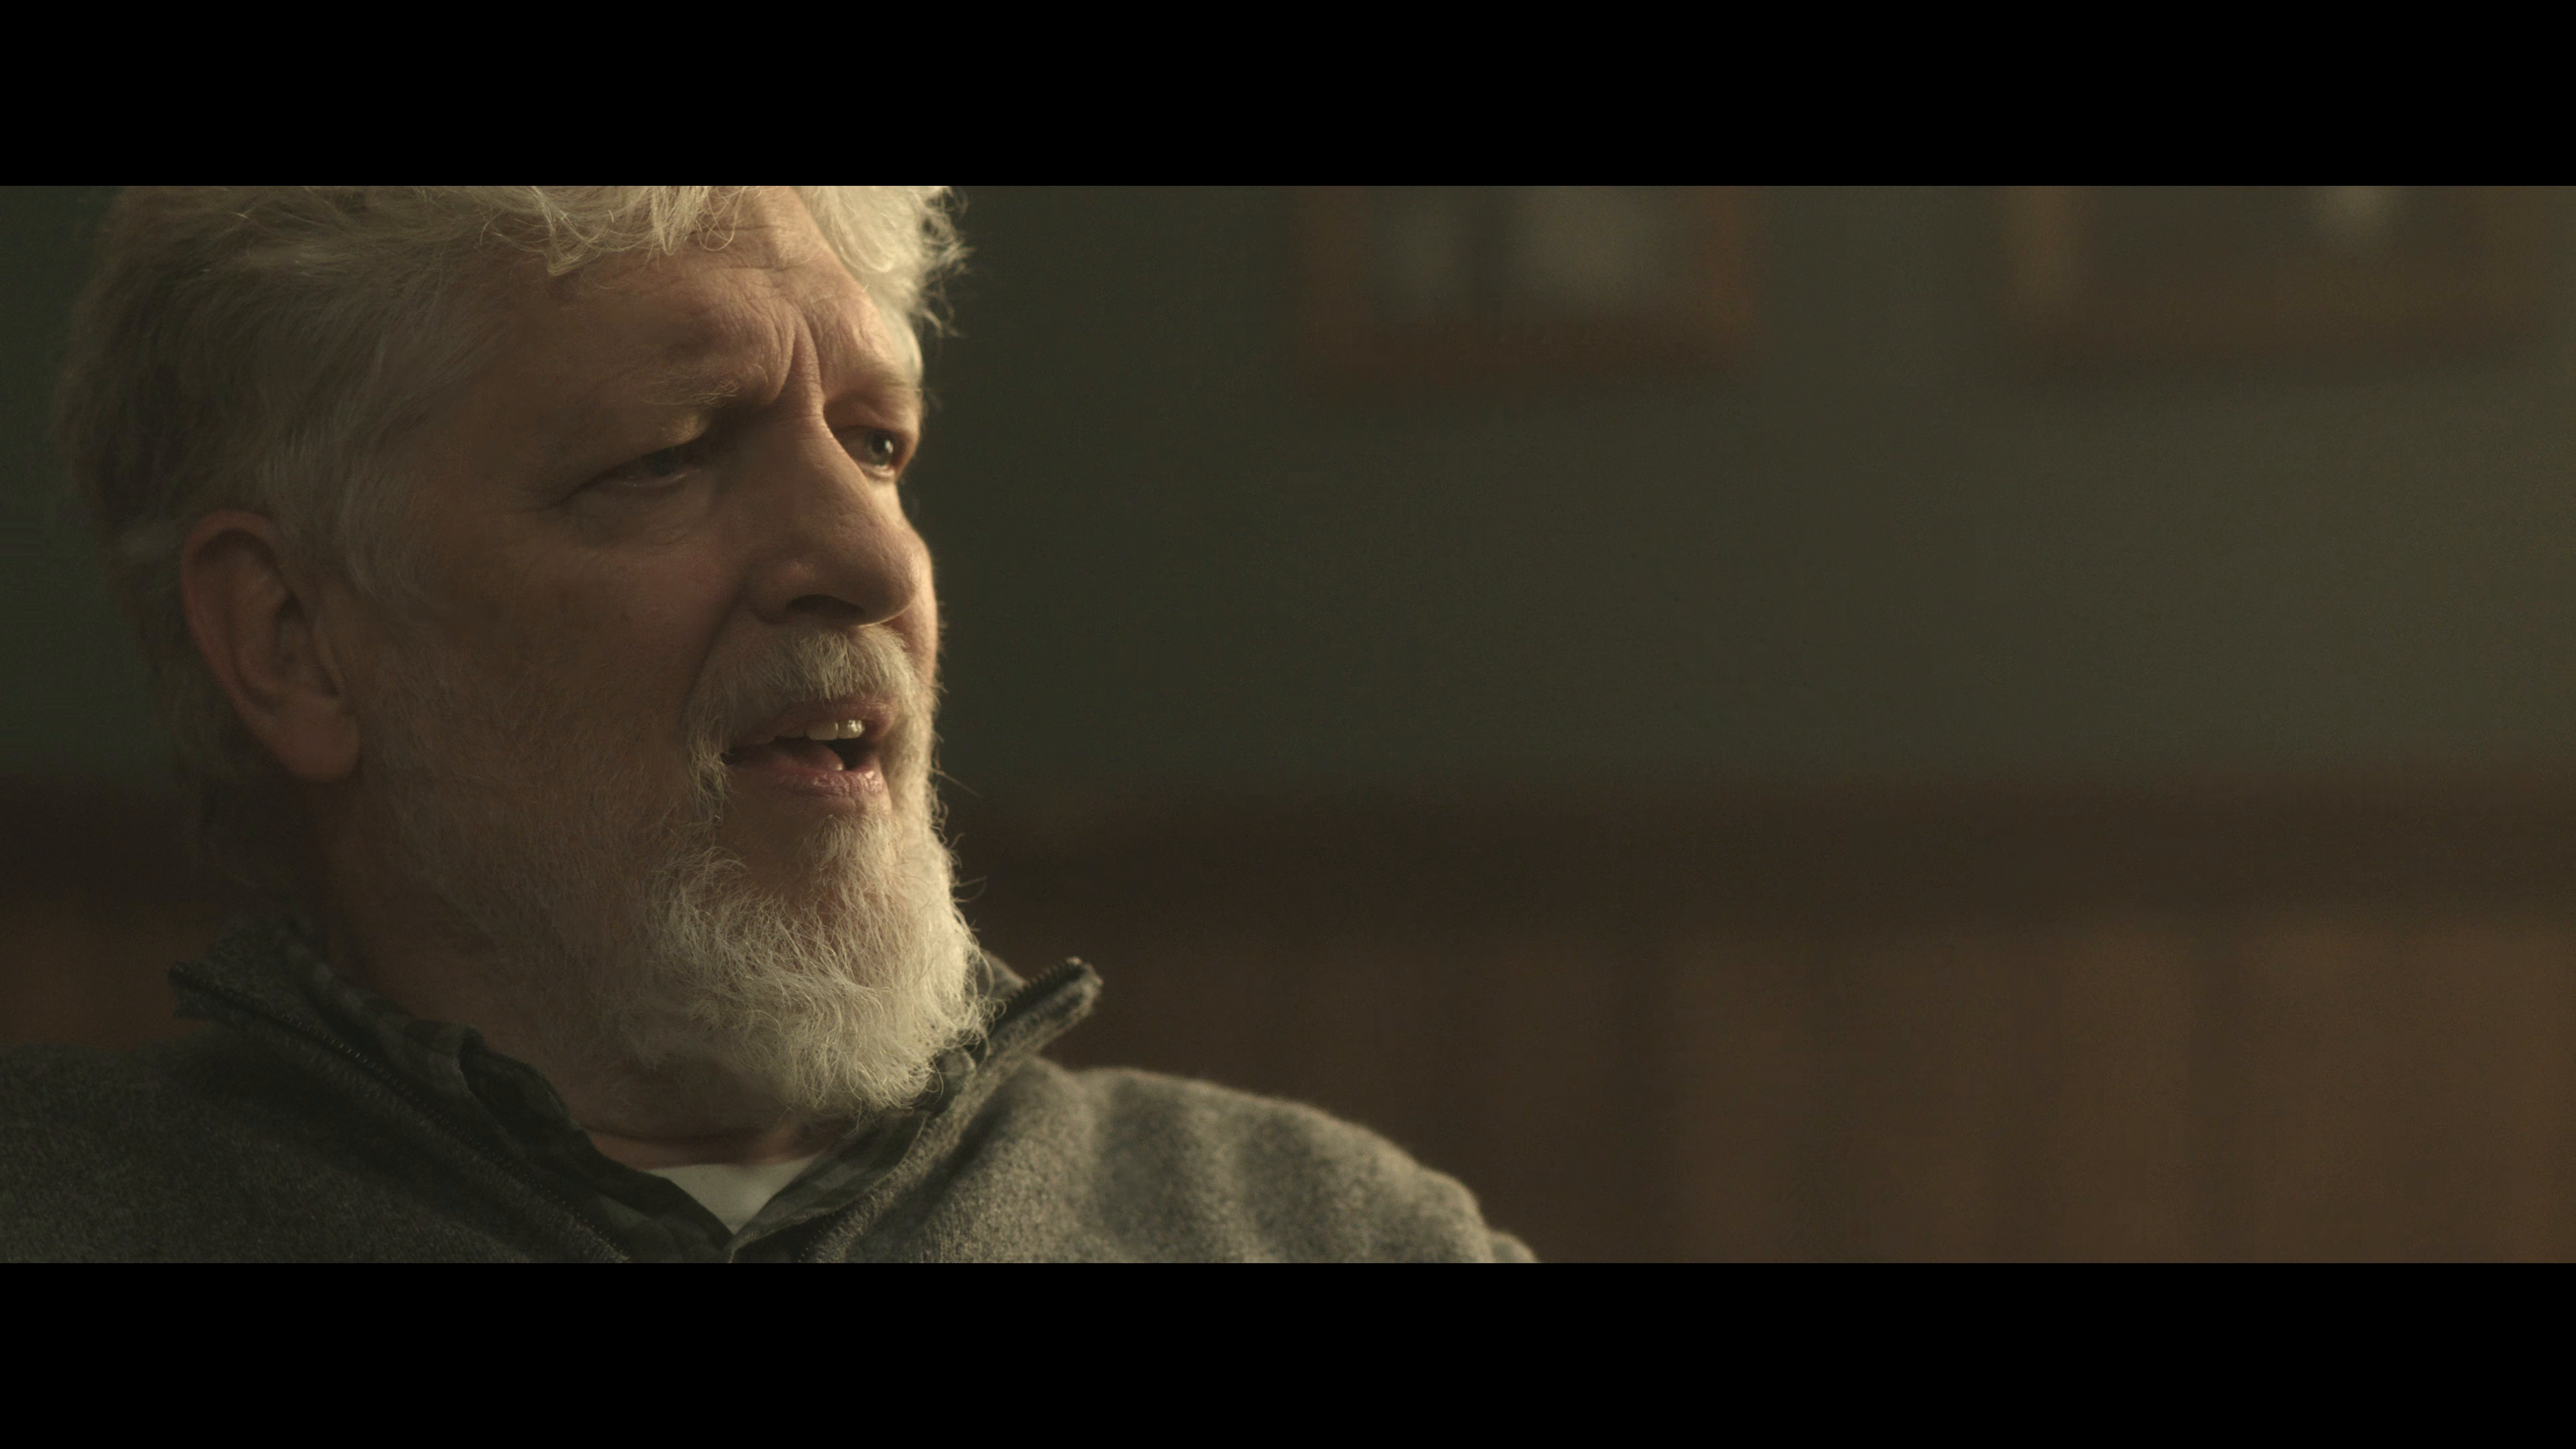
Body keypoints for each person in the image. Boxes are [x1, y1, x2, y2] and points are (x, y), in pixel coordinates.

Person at [1, 187, 1530, 1262]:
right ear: (295, 644)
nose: (876, 560)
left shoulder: (1330, 1232)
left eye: (878, 445)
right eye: (668, 454)